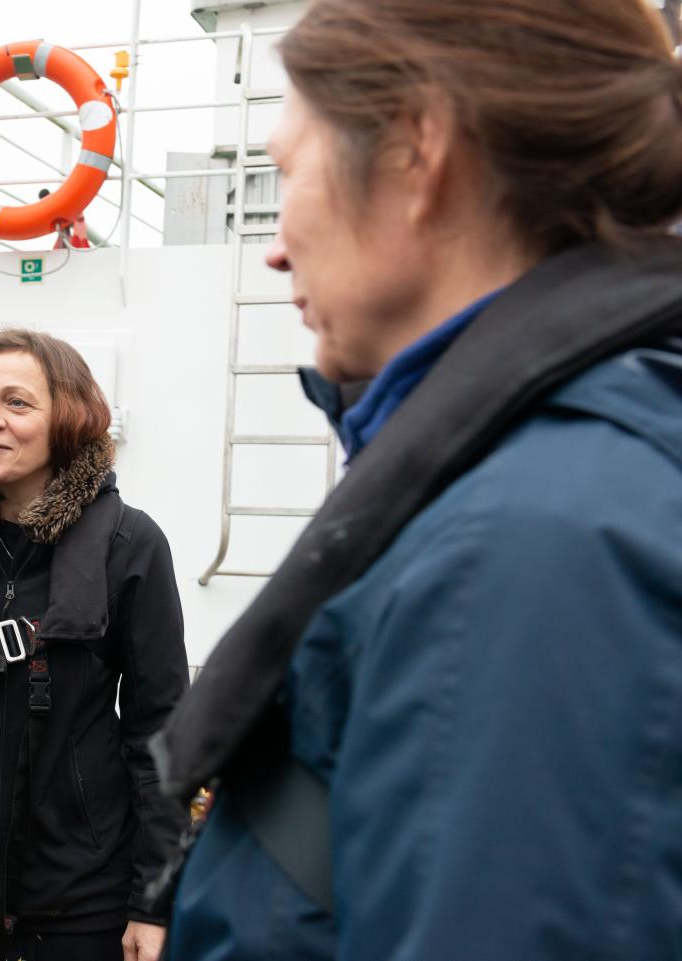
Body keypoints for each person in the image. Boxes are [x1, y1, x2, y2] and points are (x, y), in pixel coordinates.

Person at [154, 1, 682, 958]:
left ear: (415, 149)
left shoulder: (533, 545)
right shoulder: (554, 475)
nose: (272, 246)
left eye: (284, 172)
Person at [0, 329, 189, 961]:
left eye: (17, 404)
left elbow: (159, 733)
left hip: (81, 901)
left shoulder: (130, 547)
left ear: (69, 420)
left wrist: (153, 901)